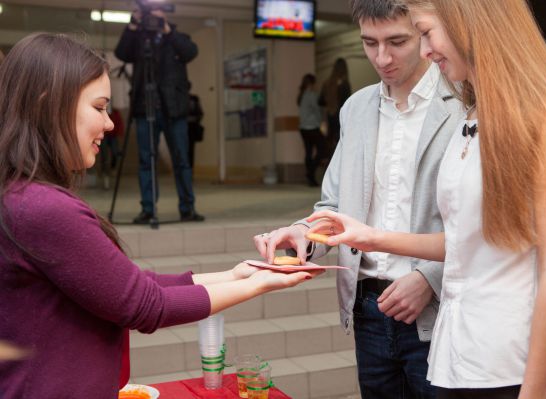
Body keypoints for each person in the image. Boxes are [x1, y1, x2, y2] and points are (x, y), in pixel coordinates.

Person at [306, 0, 546, 398]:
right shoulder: (473, 115)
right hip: (458, 353)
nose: (426, 50)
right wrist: (367, 236)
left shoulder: (545, 117)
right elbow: (466, 241)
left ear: (469, 24)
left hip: (511, 358)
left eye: (425, 33)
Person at [0, 33, 319, 398]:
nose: (109, 124)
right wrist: (260, 283)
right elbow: (145, 305)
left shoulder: (22, 196)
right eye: (99, 107)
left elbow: (127, 285)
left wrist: (234, 274)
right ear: (48, 104)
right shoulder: (42, 206)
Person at [254, 1, 463, 397]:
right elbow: (333, 204)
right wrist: (302, 233)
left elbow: (481, 222)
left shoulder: (461, 106)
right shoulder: (356, 108)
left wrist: (430, 280)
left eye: (397, 41)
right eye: (369, 43)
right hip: (368, 308)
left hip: (436, 308)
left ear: (423, 32)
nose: (381, 58)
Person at [115, 8, 203, 224]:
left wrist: (167, 31)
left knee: (181, 160)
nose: (153, 15)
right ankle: (147, 209)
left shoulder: (177, 37)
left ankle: (187, 208)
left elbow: (190, 52)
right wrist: (132, 25)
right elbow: (121, 53)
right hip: (145, 107)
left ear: (166, 14)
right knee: (146, 160)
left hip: (175, 109)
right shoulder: (137, 38)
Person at [297, 73, 327, 187]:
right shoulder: (311, 95)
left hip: (303, 128)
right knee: (323, 149)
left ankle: (310, 177)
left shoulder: (301, 95)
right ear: (311, 83)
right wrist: (321, 122)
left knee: (308, 152)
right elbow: (317, 110)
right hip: (312, 127)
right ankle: (310, 174)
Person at [319, 57, 351, 155]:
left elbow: (320, 101)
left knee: (330, 141)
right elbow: (347, 102)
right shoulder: (345, 84)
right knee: (340, 143)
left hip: (329, 115)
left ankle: (329, 166)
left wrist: (329, 103)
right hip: (340, 116)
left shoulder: (327, 83)